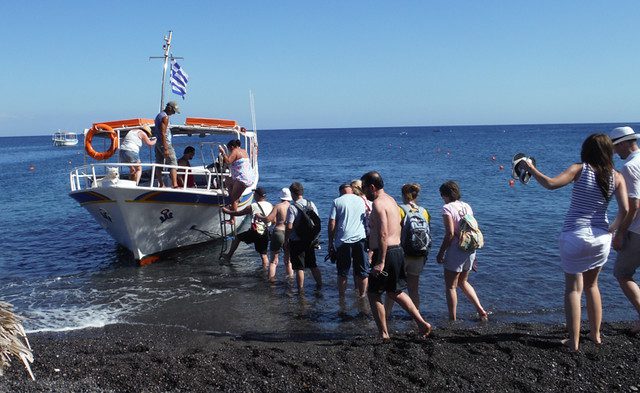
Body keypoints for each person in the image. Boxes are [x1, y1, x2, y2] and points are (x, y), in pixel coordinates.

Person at [525, 133, 628, 351]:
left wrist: (530, 168)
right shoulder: (616, 176)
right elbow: (626, 209)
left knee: (573, 289)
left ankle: (574, 341)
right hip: (601, 238)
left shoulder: (579, 169)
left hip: (575, 235)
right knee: (592, 286)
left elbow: (551, 184)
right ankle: (596, 335)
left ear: (587, 150)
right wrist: (613, 228)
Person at [361, 171, 431, 340]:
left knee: (373, 293)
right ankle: (421, 323)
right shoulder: (391, 200)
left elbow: (383, 234)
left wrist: (381, 260)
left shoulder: (378, 204)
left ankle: (384, 333)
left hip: (386, 253)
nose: (363, 192)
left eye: (364, 188)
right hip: (397, 250)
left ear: (372, 187)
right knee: (395, 291)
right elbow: (398, 227)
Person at [436, 181, 488, 322]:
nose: (442, 198)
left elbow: (450, 234)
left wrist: (441, 253)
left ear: (445, 194)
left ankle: (452, 319)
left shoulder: (447, 208)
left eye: (442, 195)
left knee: (451, 286)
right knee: (463, 282)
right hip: (470, 249)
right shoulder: (467, 206)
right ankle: (480, 310)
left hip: (456, 250)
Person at [608, 126, 640, 334]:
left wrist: (619, 232)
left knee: (622, 273)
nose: (615, 153)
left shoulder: (629, 167)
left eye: (616, 148)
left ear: (624, 144)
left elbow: (634, 205)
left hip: (638, 231)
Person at [328, 183, 369, 298]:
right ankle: (362, 295)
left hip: (343, 241)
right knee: (362, 271)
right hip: (361, 239)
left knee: (342, 272)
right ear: (351, 190)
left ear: (341, 191)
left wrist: (330, 242)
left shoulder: (337, 201)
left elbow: (332, 222)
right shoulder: (361, 200)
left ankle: (342, 297)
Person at [397, 183, 431, 309]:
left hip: (403, 253)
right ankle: (415, 317)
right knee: (413, 289)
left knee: (393, 289)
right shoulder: (424, 211)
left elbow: (395, 232)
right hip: (419, 253)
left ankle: (386, 316)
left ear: (403, 195)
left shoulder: (399, 209)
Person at [220, 188, 273, 268]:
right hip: (265, 232)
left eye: (254, 194)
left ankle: (228, 256)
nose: (254, 195)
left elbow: (238, 213)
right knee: (263, 254)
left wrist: (226, 211)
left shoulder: (253, 206)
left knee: (237, 238)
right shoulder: (270, 205)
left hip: (255, 231)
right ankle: (265, 271)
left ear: (257, 195)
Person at [285, 182, 322, 292]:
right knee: (313, 264)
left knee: (299, 267)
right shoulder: (311, 204)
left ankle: (300, 290)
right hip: (311, 240)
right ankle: (320, 285)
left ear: (292, 193)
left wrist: (286, 239)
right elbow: (317, 220)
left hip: (297, 241)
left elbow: (289, 226)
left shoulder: (292, 207)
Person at [258, 187, 294, 282]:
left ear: (281, 197)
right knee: (288, 260)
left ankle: (271, 282)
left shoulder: (278, 206)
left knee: (273, 261)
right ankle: (290, 281)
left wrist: (259, 216)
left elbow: (268, 219)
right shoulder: (293, 207)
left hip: (278, 232)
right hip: (289, 233)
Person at [219, 139, 255, 217]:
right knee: (228, 180)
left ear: (232, 147)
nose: (229, 151)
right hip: (249, 177)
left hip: (242, 179)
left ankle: (232, 219)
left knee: (234, 199)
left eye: (229, 149)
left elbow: (228, 161)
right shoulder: (244, 151)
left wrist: (223, 153)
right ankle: (234, 194)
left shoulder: (235, 151)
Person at [153, 101, 180, 188]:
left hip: (158, 142)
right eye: (174, 111)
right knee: (173, 163)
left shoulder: (159, 115)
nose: (174, 113)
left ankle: (161, 184)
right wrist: (165, 148)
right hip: (165, 143)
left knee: (159, 163)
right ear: (170, 108)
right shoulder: (165, 117)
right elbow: (163, 133)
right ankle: (175, 184)